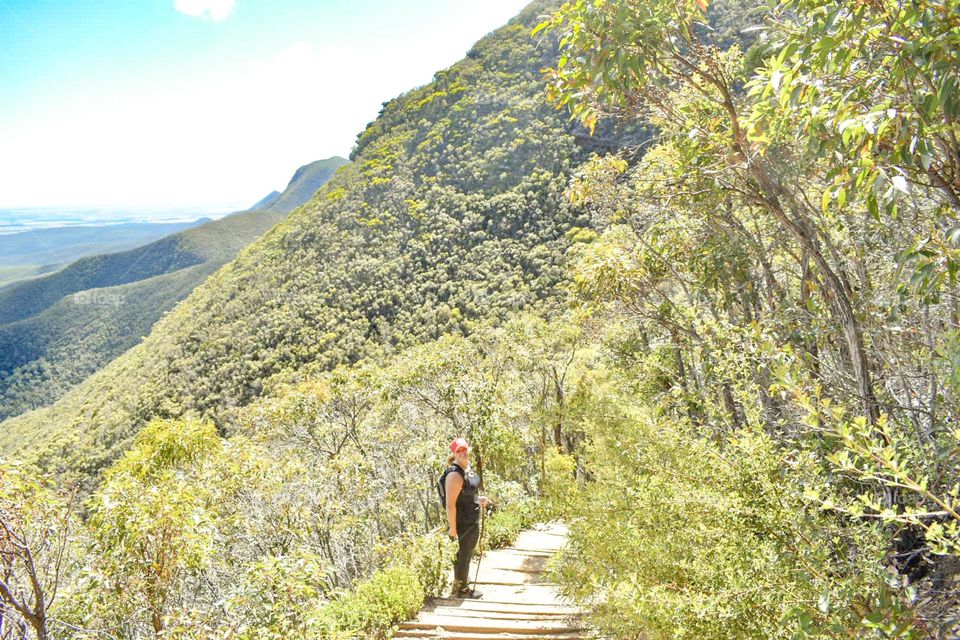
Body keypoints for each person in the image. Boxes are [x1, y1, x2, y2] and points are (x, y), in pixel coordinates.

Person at [444, 437, 489, 598]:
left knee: (468, 551)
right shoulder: (454, 475)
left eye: (464, 449)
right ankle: (462, 589)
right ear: (454, 454)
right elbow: (450, 504)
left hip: (471, 516)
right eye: (458, 451)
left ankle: (462, 581)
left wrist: (479, 500)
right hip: (463, 520)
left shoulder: (467, 468)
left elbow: (467, 495)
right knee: (464, 552)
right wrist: (453, 527)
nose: (462, 453)